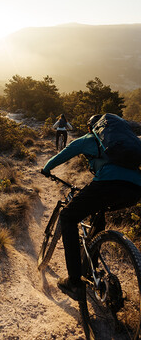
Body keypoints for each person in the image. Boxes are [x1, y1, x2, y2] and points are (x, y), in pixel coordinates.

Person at [41, 114, 141, 301]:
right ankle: (91, 267)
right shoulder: (126, 141)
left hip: (106, 185)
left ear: (92, 128)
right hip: (135, 190)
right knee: (98, 211)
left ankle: (74, 283)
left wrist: (46, 169)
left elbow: (62, 155)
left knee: (68, 216)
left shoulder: (90, 138)